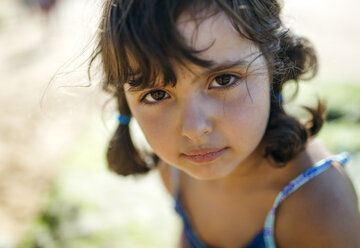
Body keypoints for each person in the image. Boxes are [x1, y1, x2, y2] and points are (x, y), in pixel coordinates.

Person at [90, 0, 360, 247]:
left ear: (272, 65)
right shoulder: (174, 172)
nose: (194, 129)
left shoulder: (318, 203)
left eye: (223, 80)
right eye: (156, 95)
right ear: (125, 99)